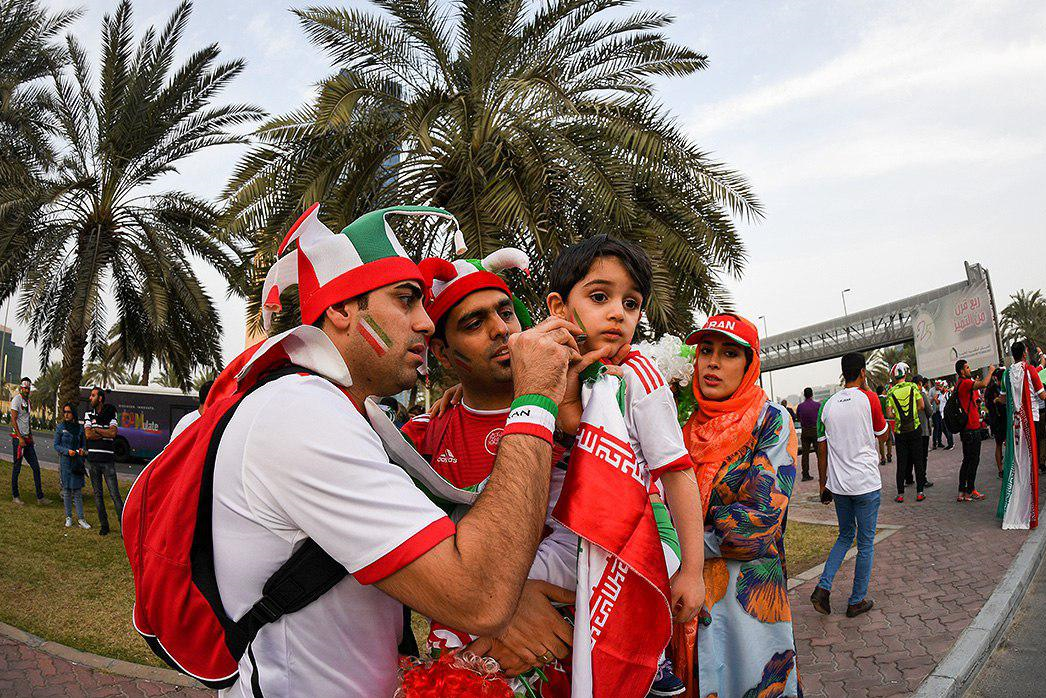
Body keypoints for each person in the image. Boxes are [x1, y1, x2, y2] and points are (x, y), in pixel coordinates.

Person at [211, 204, 591, 696]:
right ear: (341, 310)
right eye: (406, 299)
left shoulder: (346, 414)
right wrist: (535, 400)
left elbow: (436, 557)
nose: (427, 322)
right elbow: (478, 594)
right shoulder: (302, 414)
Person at [400, 248, 579, 684]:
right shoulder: (418, 440)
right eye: (474, 324)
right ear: (442, 354)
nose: (501, 329)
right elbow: (399, 558)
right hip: (467, 670)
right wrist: (503, 609)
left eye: (505, 312)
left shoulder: (580, 416)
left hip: (573, 661)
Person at [545, 235, 704, 696]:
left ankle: (650, 663)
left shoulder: (639, 378)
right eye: (600, 297)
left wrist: (692, 571)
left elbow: (678, 473)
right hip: (578, 535)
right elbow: (568, 425)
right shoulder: (552, 367)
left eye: (631, 303)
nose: (618, 313)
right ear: (559, 307)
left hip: (641, 535)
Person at [682, 314, 800, 697]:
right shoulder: (684, 429)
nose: (713, 363)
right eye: (706, 351)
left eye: (730, 353)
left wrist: (681, 543)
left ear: (750, 365)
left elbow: (755, 525)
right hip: (686, 606)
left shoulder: (771, 421)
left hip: (746, 606)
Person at [810, 352, 888, 618]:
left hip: (840, 486)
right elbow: (883, 435)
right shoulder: (870, 399)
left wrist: (823, 485)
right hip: (866, 483)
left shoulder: (827, 405)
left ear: (844, 373)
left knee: (845, 536)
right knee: (865, 543)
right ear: (863, 372)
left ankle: (823, 587)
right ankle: (856, 601)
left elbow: (821, 450)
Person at [998, 341, 1046, 529]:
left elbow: (1003, 398)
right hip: (1031, 422)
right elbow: (1042, 396)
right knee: (1030, 464)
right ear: (1025, 353)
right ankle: (1028, 512)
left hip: (1015, 424)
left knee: (1016, 463)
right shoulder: (1030, 370)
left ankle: (1013, 506)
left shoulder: (1007, 374)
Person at [955, 359, 995, 502]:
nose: (969, 369)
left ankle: (962, 491)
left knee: (967, 460)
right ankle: (970, 490)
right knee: (973, 460)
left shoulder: (959, 384)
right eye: (967, 367)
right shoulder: (965, 383)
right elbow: (984, 384)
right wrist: (990, 372)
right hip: (971, 428)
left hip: (966, 428)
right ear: (962, 371)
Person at [884, 363, 925, 503]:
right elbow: (921, 406)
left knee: (901, 463)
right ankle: (920, 492)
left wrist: (898, 416)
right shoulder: (913, 387)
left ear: (894, 377)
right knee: (918, 461)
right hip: (915, 428)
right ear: (905, 374)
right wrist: (913, 413)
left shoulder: (890, 392)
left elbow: (889, 414)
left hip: (900, 432)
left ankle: (900, 494)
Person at [84, 387, 122, 536]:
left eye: (93, 395)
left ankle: (124, 527)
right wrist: (103, 432)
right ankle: (104, 526)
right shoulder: (88, 414)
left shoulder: (111, 413)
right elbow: (88, 435)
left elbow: (113, 433)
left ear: (100, 398)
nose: (90, 398)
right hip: (93, 461)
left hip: (107, 461)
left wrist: (97, 430)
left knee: (115, 495)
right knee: (97, 495)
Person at [10, 377, 47, 505]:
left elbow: (26, 420)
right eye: (25, 388)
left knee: (36, 467)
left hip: (27, 440)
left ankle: (40, 497)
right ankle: (15, 496)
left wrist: (30, 436)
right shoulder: (16, 400)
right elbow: (13, 420)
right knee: (17, 468)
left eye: (28, 388)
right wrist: (20, 438)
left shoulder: (28, 401)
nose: (27, 390)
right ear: (21, 388)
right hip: (18, 440)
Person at [53, 402, 90, 529]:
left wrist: (82, 451)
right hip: (65, 462)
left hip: (77, 462)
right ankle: (68, 517)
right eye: (64, 412)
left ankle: (81, 518)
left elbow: (84, 445)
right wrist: (66, 451)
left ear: (73, 413)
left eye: (68, 412)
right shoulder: (60, 427)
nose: (66, 414)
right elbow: (56, 445)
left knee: (77, 491)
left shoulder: (80, 428)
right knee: (67, 491)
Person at [984, 368, 1007, 478]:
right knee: (998, 444)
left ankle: (1009, 465)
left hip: (1005, 418)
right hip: (997, 420)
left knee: (1008, 443)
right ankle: (1000, 469)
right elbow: (988, 405)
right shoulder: (991, 389)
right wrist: (996, 401)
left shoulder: (1005, 386)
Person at [913, 375, 934, 489]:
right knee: (923, 457)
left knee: (914, 457)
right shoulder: (921, 394)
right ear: (920, 383)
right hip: (923, 429)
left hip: (912, 430)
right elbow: (929, 411)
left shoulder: (909, 395)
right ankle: (922, 479)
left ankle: (910, 478)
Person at [796, 387, 821, 482]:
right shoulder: (817, 405)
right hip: (815, 431)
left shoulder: (800, 406)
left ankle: (805, 474)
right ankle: (822, 474)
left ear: (804, 395)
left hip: (805, 431)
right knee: (819, 453)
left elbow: (798, 418)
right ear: (812, 394)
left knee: (805, 454)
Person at [876, 385, 893, 465]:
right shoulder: (886, 399)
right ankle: (889, 455)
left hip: (879, 422)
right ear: (883, 391)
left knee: (881, 441)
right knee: (889, 439)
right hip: (887, 420)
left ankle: (883, 458)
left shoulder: (876, 399)